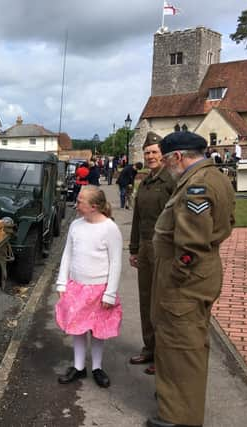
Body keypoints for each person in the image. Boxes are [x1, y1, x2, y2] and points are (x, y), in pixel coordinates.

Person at [147, 131, 235, 427]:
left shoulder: (195, 185)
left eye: (168, 159)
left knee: (180, 345)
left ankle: (178, 416)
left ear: (177, 156)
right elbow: (227, 222)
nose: (167, 165)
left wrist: (177, 276)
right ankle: (177, 403)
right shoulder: (215, 177)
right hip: (202, 273)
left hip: (186, 279)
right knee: (188, 341)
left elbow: (192, 244)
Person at [55, 185, 123, 388]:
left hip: (99, 289)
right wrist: (62, 281)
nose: (76, 205)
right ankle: (78, 367)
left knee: (97, 330)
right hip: (77, 287)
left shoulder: (110, 228)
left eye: (80, 202)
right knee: (78, 328)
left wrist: (110, 293)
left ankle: (97, 367)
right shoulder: (76, 225)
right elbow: (67, 254)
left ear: (94, 206)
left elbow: (116, 262)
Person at [128, 140, 175, 376]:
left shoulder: (171, 181)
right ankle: (149, 347)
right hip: (146, 246)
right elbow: (137, 217)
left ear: (163, 155)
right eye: (147, 152)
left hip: (164, 247)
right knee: (146, 298)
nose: (150, 156)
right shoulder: (145, 182)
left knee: (162, 301)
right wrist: (133, 248)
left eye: (154, 152)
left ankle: (163, 355)